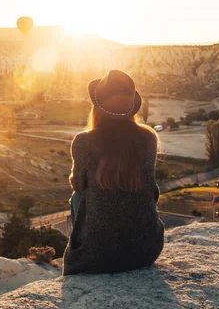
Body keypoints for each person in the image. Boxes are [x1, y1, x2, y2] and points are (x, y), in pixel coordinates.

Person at [63, 70, 164, 275]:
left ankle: (87, 241)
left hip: (96, 256)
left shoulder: (83, 142)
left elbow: (79, 186)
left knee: (77, 197)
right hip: (146, 250)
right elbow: (151, 190)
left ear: (97, 108)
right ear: (131, 109)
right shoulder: (148, 138)